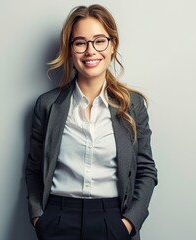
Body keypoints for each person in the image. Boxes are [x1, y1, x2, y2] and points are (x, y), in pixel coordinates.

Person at [25, 4, 158, 240]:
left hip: (113, 220)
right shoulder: (47, 105)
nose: (90, 51)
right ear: (70, 49)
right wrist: (39, 218)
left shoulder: (133, 105)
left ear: (112, 44)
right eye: (80, 42)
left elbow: (146, 170)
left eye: (99, 41)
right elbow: (34, 170)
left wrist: (129, 223)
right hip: (58, 219)